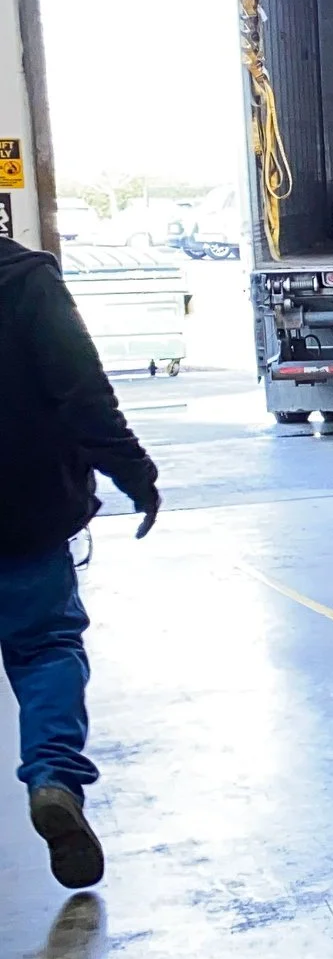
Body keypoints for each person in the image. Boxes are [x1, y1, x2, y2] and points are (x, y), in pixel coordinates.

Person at [0, 232, 159, 889]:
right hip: (24, 510)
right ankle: (54, 778)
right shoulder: (23, 278)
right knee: (46, 649)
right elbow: (81, 390)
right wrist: (133, 472)